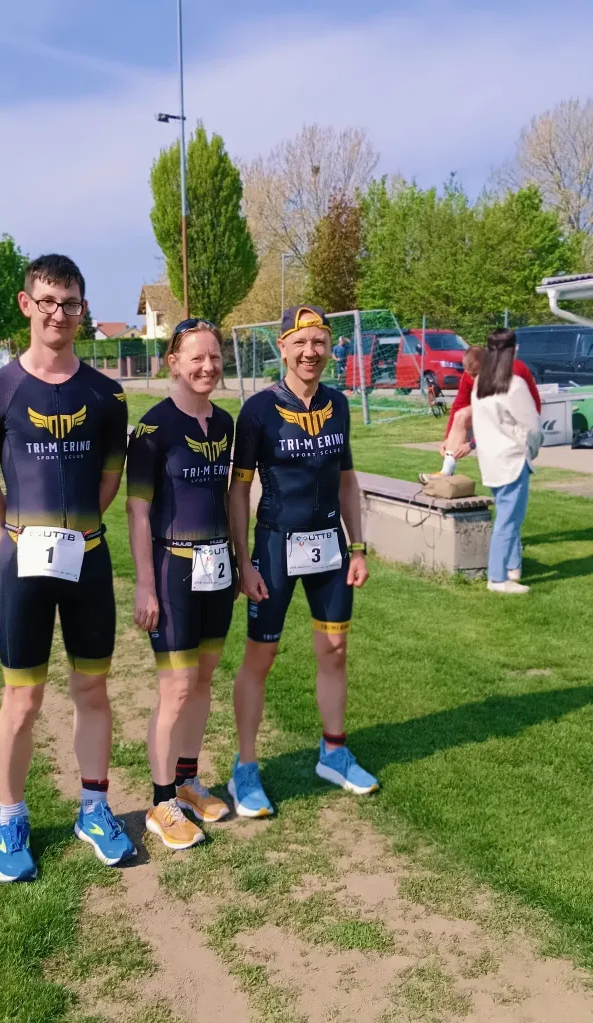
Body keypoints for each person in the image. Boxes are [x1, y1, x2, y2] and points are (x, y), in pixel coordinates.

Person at [0, 254, 135, 882]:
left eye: (69, 303)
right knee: (23, 698)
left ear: (82, 309)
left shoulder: (107, 396)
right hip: (23, 563)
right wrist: (15, 539)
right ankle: (11, 816)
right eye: (47, 302)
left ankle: (94, 808)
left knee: (92, 690)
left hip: (88, 558)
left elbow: (110, 479)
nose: (58, 314)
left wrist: (76, 530)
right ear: (27, 304)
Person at [228, 305, 377, 818]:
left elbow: (347, 480)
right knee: (261, 656)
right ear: (283, 348)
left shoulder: (338, 404)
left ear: (329, 347)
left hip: (330, 547)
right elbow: (239, 490)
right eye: (300, 343)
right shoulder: (258, 410)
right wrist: (244, 561)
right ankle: (246, 768)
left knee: (334, 649)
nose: (310, 352)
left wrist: (358, 547)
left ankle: (333, 752)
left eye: (319, 342)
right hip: (274, 548)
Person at [126, 319, 235, 850]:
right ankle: (161, 800)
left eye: (214, 357)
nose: (207, 367)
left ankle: (188, 781)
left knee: (203, 680)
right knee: (176, 687)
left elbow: (229, 499)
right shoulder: (153, 428)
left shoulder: (226, 422)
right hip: (173, 569)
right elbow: (137, 510)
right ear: (173, 363)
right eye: (196, 358)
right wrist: (145, 585)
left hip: (219, 569)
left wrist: (241, 562)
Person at [472, 329, 541, 595]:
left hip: (491, 460)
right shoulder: (515, 385)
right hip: (512, 460)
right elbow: (533, 428)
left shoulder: (480, 384)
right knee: (508, 521)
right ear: (514, 350)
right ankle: (497, 577)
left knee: (507, 515)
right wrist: (531, 449)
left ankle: (513, 567)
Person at [419, 346, 540, 483]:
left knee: (505, 473)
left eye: (475, 374)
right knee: (462, 415)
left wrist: (472, 444)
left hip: (523, 424)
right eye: (469, 374)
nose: (472, 378)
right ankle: (446, 471)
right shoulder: (471, 375)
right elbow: (459, 405)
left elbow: (497, 418)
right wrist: (448, 438)